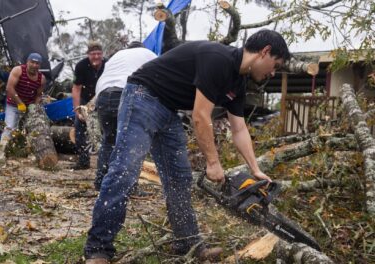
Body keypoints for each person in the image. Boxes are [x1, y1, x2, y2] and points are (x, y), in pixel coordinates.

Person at [83, 29, 291, 264]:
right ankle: (98, 248)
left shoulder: (238, 82)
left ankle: (188, 243)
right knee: (125, 169)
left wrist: (255, 170)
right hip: (142, 95)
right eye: (275, 65)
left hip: (168, 109)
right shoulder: (219, 59)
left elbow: (239, 129)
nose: (273, 72)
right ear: (265, 52)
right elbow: (201, 117)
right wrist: (213, 163)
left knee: (179, 178)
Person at [94, 41, 157, 191]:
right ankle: (129, 186)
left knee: (108, 139)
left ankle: (100, 181)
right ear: (142, 49)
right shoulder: (149, 54)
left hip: (103, 94)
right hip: (125, 92)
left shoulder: (117, 56)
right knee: (133, 142)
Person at [0, 53, 46, 161]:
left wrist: (34, 107)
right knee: (9, 127)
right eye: (32, 62)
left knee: (30, 130)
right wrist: (19, 103)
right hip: (13, 104)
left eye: (37, 63)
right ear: (27, 62)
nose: (34, 65)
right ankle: (1, 152)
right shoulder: (18, 70)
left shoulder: (41, 79)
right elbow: (9, 88)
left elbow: (38, 95)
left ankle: (30, 153)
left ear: (39, 65)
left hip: (29, 105)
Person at [71, 41, 107, 170]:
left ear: (102, 54)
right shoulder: (81, 66)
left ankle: (106, 161)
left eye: (98, 54)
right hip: (86, 99)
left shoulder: (108, 64)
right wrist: (77, 110)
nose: (96, 57)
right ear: (88, 54)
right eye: (93, 54)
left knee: (106, 129)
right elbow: (76, 88)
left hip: (104, 98)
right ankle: (83, 160)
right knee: (80, 128)